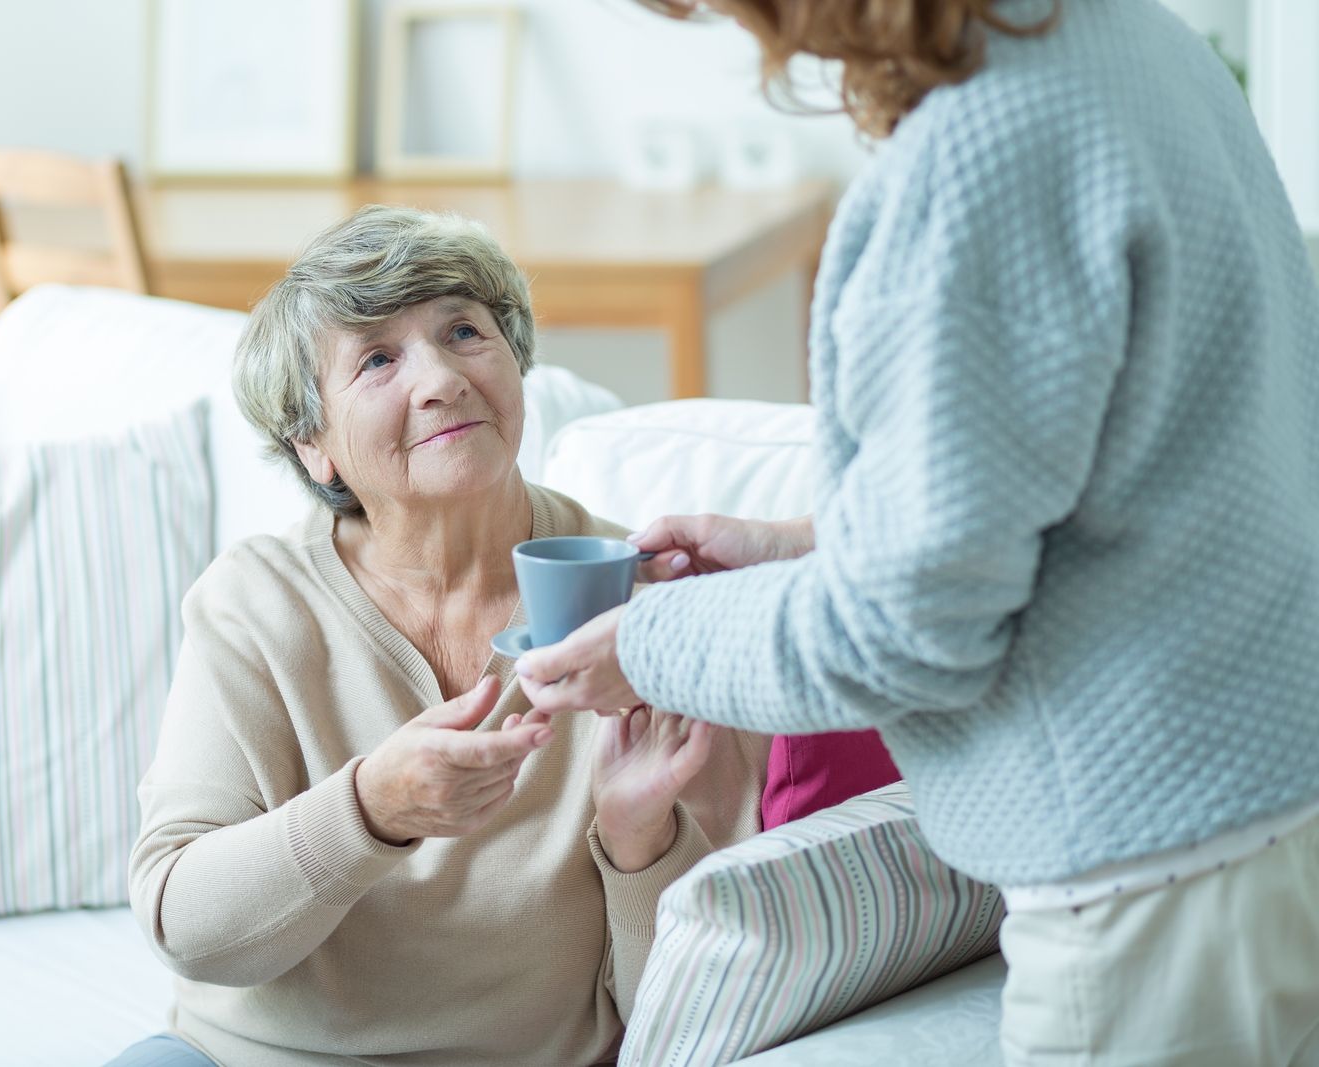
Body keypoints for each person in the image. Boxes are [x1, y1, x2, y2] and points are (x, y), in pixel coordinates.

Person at [516, 1, 1319, 1064]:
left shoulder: (969, 162)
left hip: (1135, 863)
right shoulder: (1134, 39)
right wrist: (810, 545)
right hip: (1269, 800)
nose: (757, 43)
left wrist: (642, 641)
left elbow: (897, 636)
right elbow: (1109, 480)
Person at [109, 204, 771, 1067]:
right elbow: (187, 926)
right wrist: (369, 812)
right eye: (378, 358)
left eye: (464, 331)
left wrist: (639, 839)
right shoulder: (254, 604)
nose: (442, 378)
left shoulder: (641, 597)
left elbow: (686, 1013)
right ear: (315, 445)